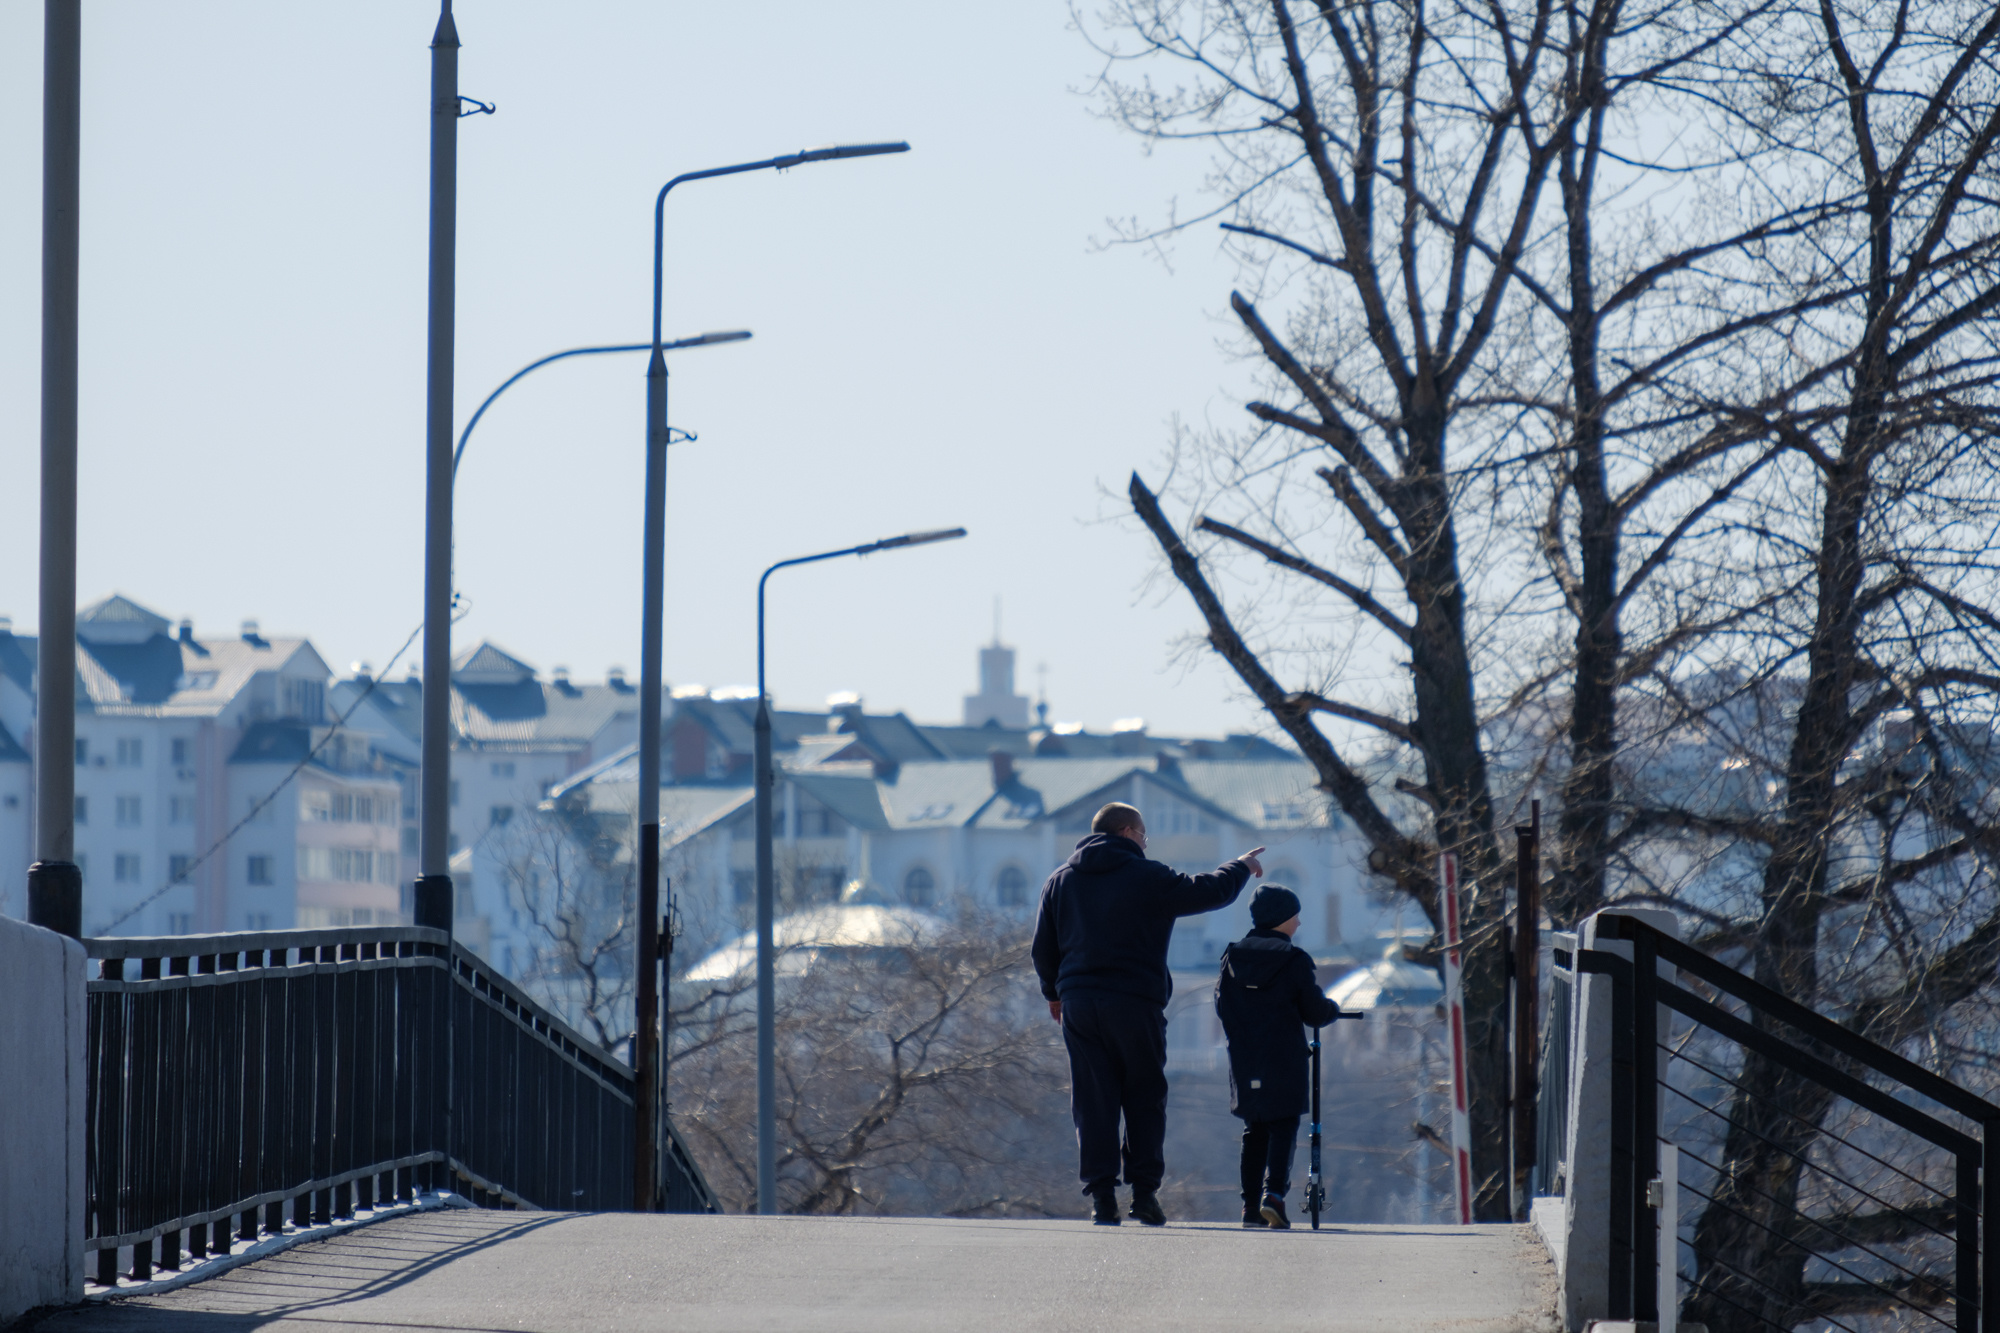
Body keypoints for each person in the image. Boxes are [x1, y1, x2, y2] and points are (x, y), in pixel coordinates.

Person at [1031, 801, 1265, 1226]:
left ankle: (1102, 1197)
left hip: (1080, 1006)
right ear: (1126, 832)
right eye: (1143, 835)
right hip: (1135, 1003)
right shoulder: (1147, 876)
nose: (1144, 843)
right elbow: (1207, 891)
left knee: (1093, 1100)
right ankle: (1143, 1195)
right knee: (1144, 1096)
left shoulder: (1059, 881)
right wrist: (1241, 867)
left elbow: (1042, 949)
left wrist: (1054, 994)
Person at [1214, 884, 1343, 1229]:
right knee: (1283, 1123)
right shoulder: (1294, 960)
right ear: (1284, 918)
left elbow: (1221, 1006)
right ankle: (1273, 1196)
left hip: (1244, 1057)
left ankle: (1249, 1207)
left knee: (1254, 1128)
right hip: (1283, 1057)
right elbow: (1313, 1011)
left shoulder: (1231, 957)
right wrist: (1333, 1009)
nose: (1299, 923)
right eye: (1295, 916)